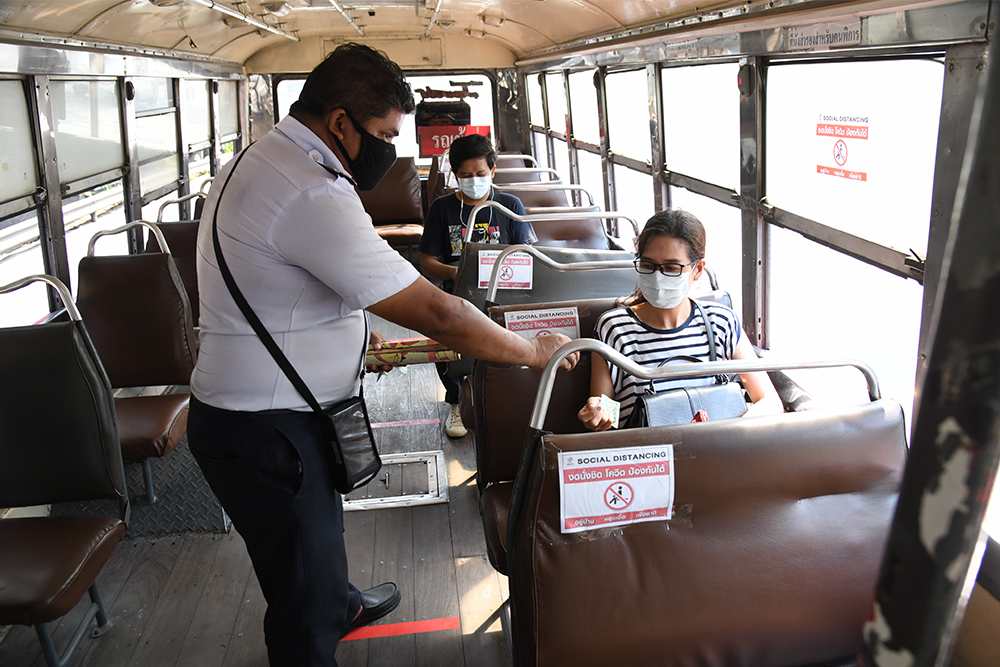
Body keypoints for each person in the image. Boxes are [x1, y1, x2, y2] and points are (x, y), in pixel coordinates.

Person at [188, 43, 577, 667]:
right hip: (270, 428)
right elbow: (439, 312)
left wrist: (343, 326)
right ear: (340, 122)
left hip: (256, 412)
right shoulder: (308, 190)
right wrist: (531, 351)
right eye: (385, 134)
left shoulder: (262, 160)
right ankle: (321, 619)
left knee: (312, 540)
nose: (391, 150)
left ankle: (337, 598)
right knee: (300, 601)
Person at [577, 209, 781, 430]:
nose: (657, 276)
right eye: (648, 265)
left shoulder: (721, 323)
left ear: (698, 269)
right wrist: (597, 414)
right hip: (650, 458)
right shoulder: (613, 328)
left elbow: (768, 401)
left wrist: (732, 434)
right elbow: (607, 413)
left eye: (671, 268)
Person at [418, 134, 538, 438]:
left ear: (493, 171)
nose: (474, 181)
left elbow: (528, 255)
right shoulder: (442, 209)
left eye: (481, 175)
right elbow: (428, 261)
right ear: (455, 175)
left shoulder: (510, 205)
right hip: (457, 290)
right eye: (466, 176)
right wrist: (458, 273)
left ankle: (502, 399)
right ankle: (457, 401)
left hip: (504, 290)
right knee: (440, 332)